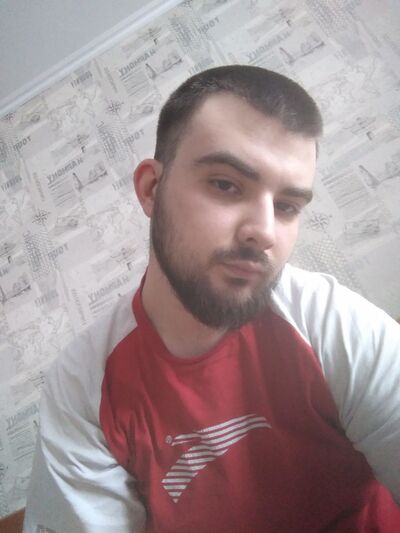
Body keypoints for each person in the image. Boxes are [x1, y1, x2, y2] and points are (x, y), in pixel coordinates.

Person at [23, 65, 400, 532]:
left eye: (286, 206)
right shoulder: (84, 385)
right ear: (152, 189)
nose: (264, 231)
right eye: (226, 184)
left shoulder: (328, 321)